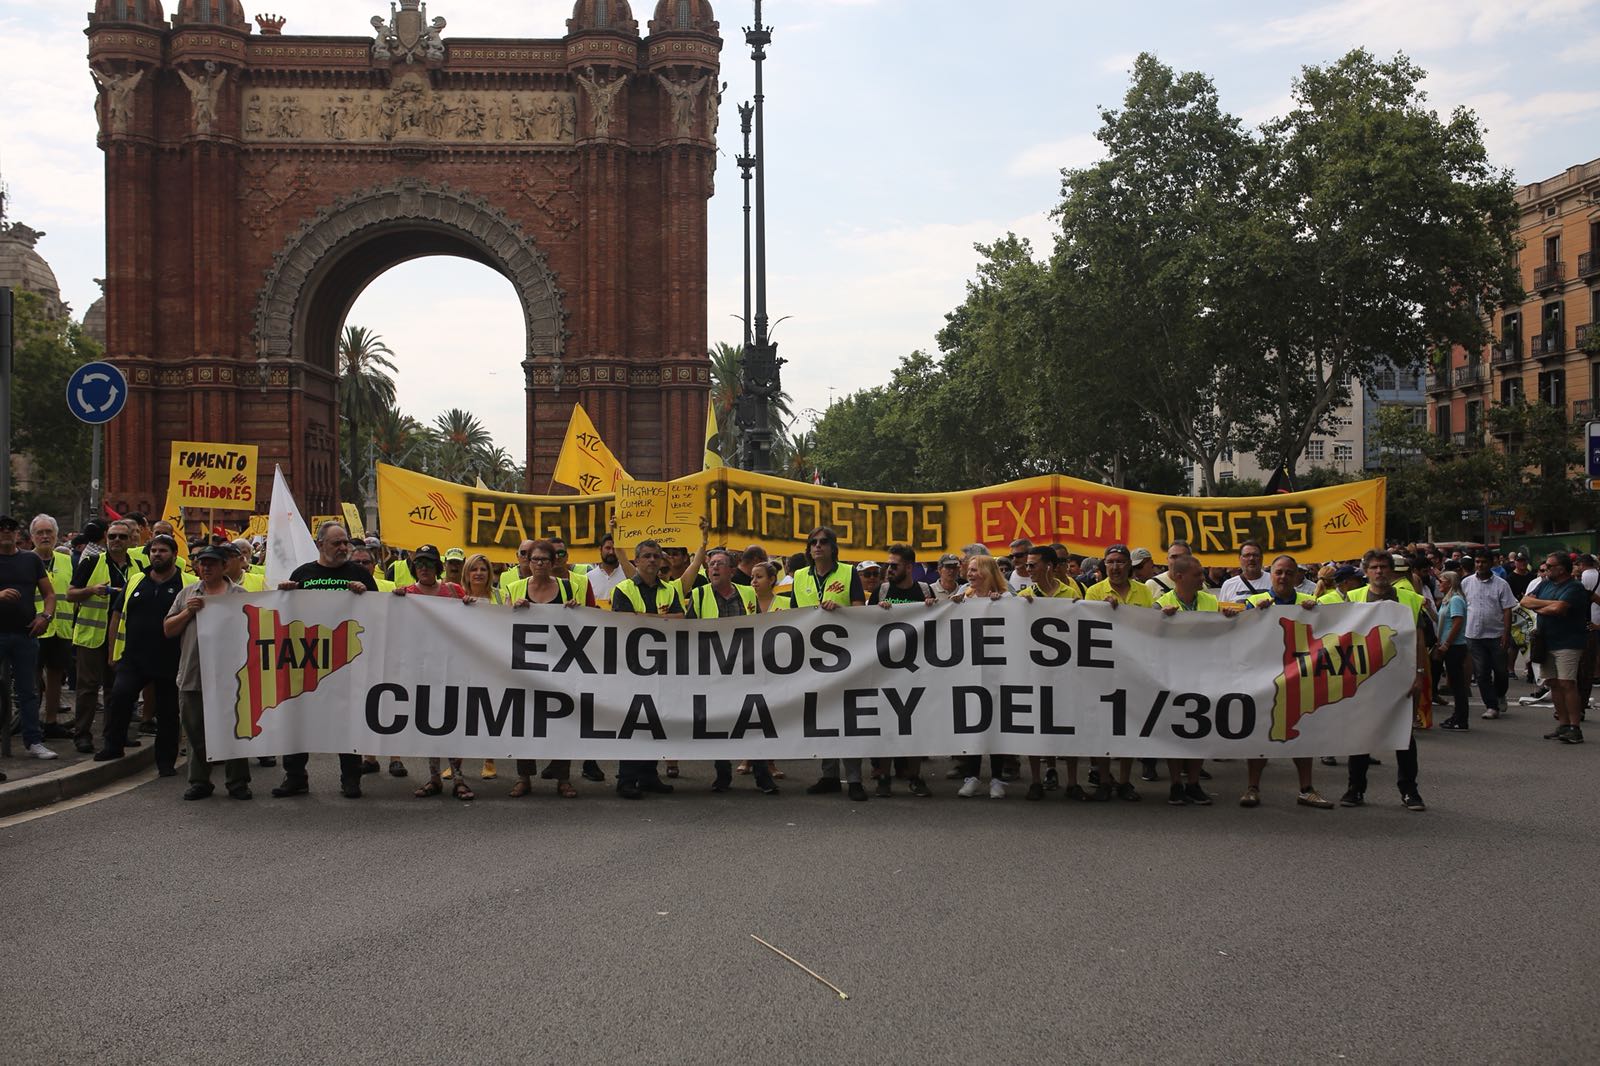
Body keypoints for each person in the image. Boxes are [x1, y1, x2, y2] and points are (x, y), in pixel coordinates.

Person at [273, 521, 378, 798]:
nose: (344, 548)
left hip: (347, 661)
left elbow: (380, 612)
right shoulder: (303, 573)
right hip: (308, 660)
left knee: (347, 720)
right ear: (320, 545)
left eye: (345, 542)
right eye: (337, 543)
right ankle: (295, 776)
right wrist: (284, 595)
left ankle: (351, 778)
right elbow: (287, 617)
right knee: (300, 718)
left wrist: (366, 596)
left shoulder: (359, 574)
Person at [1239, 555, 1335, 809]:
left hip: (1299, 678)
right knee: (1260, 734)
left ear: (1296, 576)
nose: (1283, 577)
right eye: (1278, 572)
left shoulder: (1309, 604)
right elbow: (1238, 636)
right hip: (1262, 678)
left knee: (1303, 733)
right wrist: (1252, 615)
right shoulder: (1254, 603)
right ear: (1270, 574)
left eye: (1288, 573)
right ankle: (1252, 787)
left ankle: (1306, 789)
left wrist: (1316, 615)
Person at [687, 548, 778, 796]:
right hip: (713, 673)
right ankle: (722, 774)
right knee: (718, 724)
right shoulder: (698, 595)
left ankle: (763, 776)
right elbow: (686, 635)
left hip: (746, 670)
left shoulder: (749, 593)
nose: (714, 568)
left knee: (754, 723)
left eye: (719, 564)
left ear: (731, 569)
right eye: (711, 564)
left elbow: (762, 627)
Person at [1342, 550, 1428, 810]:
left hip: (1400, 676)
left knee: (1404, 735)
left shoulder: (1411, 600)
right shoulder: (1353, 597)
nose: (1379, 571)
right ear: (1366, 571)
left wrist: (1420, 674)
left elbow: (1420, 641)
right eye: (1374, 567)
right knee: (1361, 733)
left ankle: (1409, 791)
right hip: (1364, 677)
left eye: (1383, 567)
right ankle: (1355, 789)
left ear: (1391, 571)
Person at [164, 545, 251, 799]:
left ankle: (238, 782)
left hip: (232, 677)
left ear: (225, 566)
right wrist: (188, 612)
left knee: (235, 731)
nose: (206, 567)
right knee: (195, 732)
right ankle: (200, 781)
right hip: (194, 673)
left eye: (212, 563)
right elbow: (168, 629)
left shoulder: (239, 595)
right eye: (202, 563)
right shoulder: (187, 594)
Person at [1155, 555, 1242, 804]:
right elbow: (1149, 636)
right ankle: (1175, 784)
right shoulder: (1161, 603)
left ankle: (1193, 783)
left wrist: (1228, 616)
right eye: (1197, 575)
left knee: (1199, 731)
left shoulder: (1210, 601)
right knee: (1175, 733)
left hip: (1204, 675)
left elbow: (1231, 627)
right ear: (1179, 577)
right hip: (1173, 676)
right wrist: (1160, 619)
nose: (1202, 578)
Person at [792, 526, 869, 801]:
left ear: (833, 547)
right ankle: (829, 775)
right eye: (813, 542)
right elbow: (792, 615)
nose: (818, 546)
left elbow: (862, 610)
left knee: (849, 718)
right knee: (821, 717)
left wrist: (842, 610)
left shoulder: (848, 573)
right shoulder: (800, 576)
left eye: (824, 542)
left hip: (846, 656)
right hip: (811, 658)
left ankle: (855, 779)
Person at [100, 533, 184, 774]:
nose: (157, 554)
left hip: (170, 659)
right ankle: (113, 746)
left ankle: (166, 762)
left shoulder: (186, 583)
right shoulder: (137, 580)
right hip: (134, 657)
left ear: (174, 555)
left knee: (168, 713)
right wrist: (112, 651)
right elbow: (117, 615)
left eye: (163, 551)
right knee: (120, 697)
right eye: (154, 551)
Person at [506, 540, 582, 799]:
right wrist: (512, 610)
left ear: (553, 563)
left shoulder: (567, 588)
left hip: (561, 667)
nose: (539, 564)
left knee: (563, 722)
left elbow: (584, 625)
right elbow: (498, 625)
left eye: (544, 560)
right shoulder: (515, 587)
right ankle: (524, 777)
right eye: (534, 559)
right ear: (527, 561)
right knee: (525, 722)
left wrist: (575, 611)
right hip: (526, 668)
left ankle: (563, 779)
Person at [609, 539, 683, 799]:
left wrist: (646, 619)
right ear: (636, 560)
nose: (652, 560)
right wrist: (660, 619)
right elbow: (625, 623)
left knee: (655, 721)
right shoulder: (624, 589)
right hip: (631, 666)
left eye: (656, 557)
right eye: (647, 556)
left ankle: (649, 777)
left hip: (662, 666)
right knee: (633, 723)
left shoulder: (671, 590)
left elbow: (680, 620)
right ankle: (626, 779)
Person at [66, 519, 141, 754]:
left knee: (117, 689)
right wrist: (91, 590)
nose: (116, 540)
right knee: (87, 687)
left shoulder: (137, 566)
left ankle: (114, 734)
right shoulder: (91, 561)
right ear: (105, 539)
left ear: (130, 541)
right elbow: (70, 594)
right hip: (92, 635)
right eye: (112, 537)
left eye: (121, 537)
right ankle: (83, 734)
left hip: (121, 637)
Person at [1016, 544, 1079, 800]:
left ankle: (1073, 782)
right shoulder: (1023, 597)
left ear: (1049, 566)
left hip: (1067, 672)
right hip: (1035, 672)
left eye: (1033, 565)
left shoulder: (1070, 593)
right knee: (1036, 726)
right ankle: (1035, 780)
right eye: (1027, 565)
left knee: (1070, 724)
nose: (1027, 569)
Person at [0, 514, 58, 760]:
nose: (6, 533)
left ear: (18, 534)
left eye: (11, 529)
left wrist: (45, 617)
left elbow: (50, 594)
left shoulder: (30, 559)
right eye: (1, 529)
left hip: (26, 633)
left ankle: (33, 740)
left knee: (29, 690)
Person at [1522, 553, 1589, 745]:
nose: (1546, 569)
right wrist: (1547, 605)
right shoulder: (1545, 583)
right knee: (1552, 683)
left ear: (1562, 569)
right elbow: (1525, 601)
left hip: (1567, 642)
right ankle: (1563, 724)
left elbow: (1559, 609)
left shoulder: (1575, 587)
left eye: (1550, 566)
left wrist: (1540, 606)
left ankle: (1575, 728)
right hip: (1546, 641)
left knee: (1567, 683)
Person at [350, 543, 403, 779]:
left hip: (386, 648)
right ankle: (369, 758)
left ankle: (395, 758)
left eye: (366, 562)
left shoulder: (388, 586)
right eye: (357, 563)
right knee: (366, 704)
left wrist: (402, 597)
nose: (362, 566)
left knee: (391, 702)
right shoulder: (346, 587)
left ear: (375, 565)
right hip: (357, 651)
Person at [29, 515, 74, 739]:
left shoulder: (67, 560)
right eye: (40, 532)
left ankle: (51, 721)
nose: (45, 536)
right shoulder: (25, 561)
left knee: (56, 676)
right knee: (33, 677)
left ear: (56, 535)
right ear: (32, 537)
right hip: (34, 627)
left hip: (61, 628)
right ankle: (31, 722)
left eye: (49, 532)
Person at [1461, 552, 1518, 720]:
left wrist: (1506, 634)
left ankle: (1500, 695)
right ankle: (1491, 706)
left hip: (1496, 634)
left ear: (1491, 563)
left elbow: (1507, 609)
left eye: (1483, 562)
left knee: (1501, 671)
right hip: (1474, 635)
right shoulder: (1466, 582)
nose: (1480, 565)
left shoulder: (1501, 584)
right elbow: (1463, 606)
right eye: (1477, 562)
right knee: (1481, 673)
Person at [1435, 572, 1472, 731]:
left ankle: (1461, 718)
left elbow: (1457, 623)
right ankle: (1457, 716)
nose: (1438, 584)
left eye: (1441, 581)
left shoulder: (1456, 600)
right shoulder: (1446, 601)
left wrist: (1447, 643)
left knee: (1458, 685)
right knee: (1455, 683)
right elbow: (1441, 621)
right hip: (1448, 644)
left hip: (1455, 646)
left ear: (1450, 583)